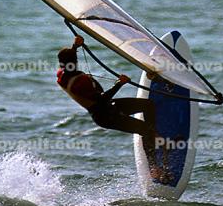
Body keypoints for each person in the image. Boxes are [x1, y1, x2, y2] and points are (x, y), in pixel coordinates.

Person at [56, 35, 170, 180]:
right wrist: (119, 84)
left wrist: (75, 46)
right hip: (105, 115)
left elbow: (68, 61)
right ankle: (154, 168)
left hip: (110, 107)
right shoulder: (79, 84)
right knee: (144, 130)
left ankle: (154, 136)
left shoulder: (61, 74)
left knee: (147, 105)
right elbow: (103, 99)